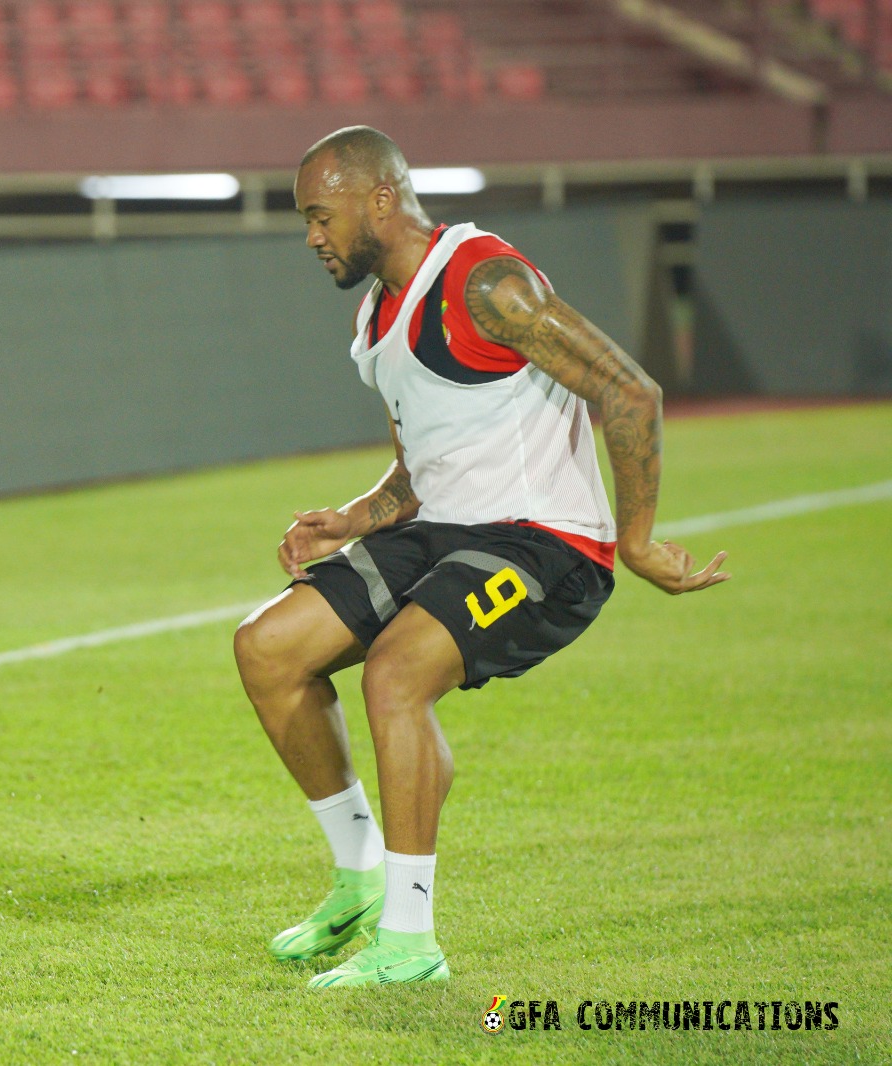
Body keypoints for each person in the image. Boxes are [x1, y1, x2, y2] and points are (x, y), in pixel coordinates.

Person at [232, 127, 729, 989]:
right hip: (444, 533)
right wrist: (350, 519)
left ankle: (411, 939)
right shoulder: (375, 316)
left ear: (378, 198)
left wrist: (637, 539)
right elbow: (420, 470)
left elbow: (628, 390)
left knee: (394, 676)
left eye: (320, 215)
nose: (311, 236)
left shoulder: (485, 281)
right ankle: (357, 873)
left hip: (545, 541)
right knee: (268, 647)